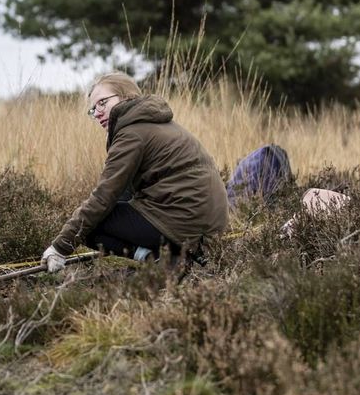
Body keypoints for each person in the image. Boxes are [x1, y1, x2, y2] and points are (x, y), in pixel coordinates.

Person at [40, 73, 229, 272]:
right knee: (113, 205)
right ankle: (166, 258)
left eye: (102, 103)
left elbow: (104, 197)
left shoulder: (131, 133)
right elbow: (122, 193)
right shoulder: (156, 124)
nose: (97, 113)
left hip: (185, 222)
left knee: (91, 226)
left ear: (126, 97)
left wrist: (60, 247)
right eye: (93, 109)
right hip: (208, 225)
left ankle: (160, 261)